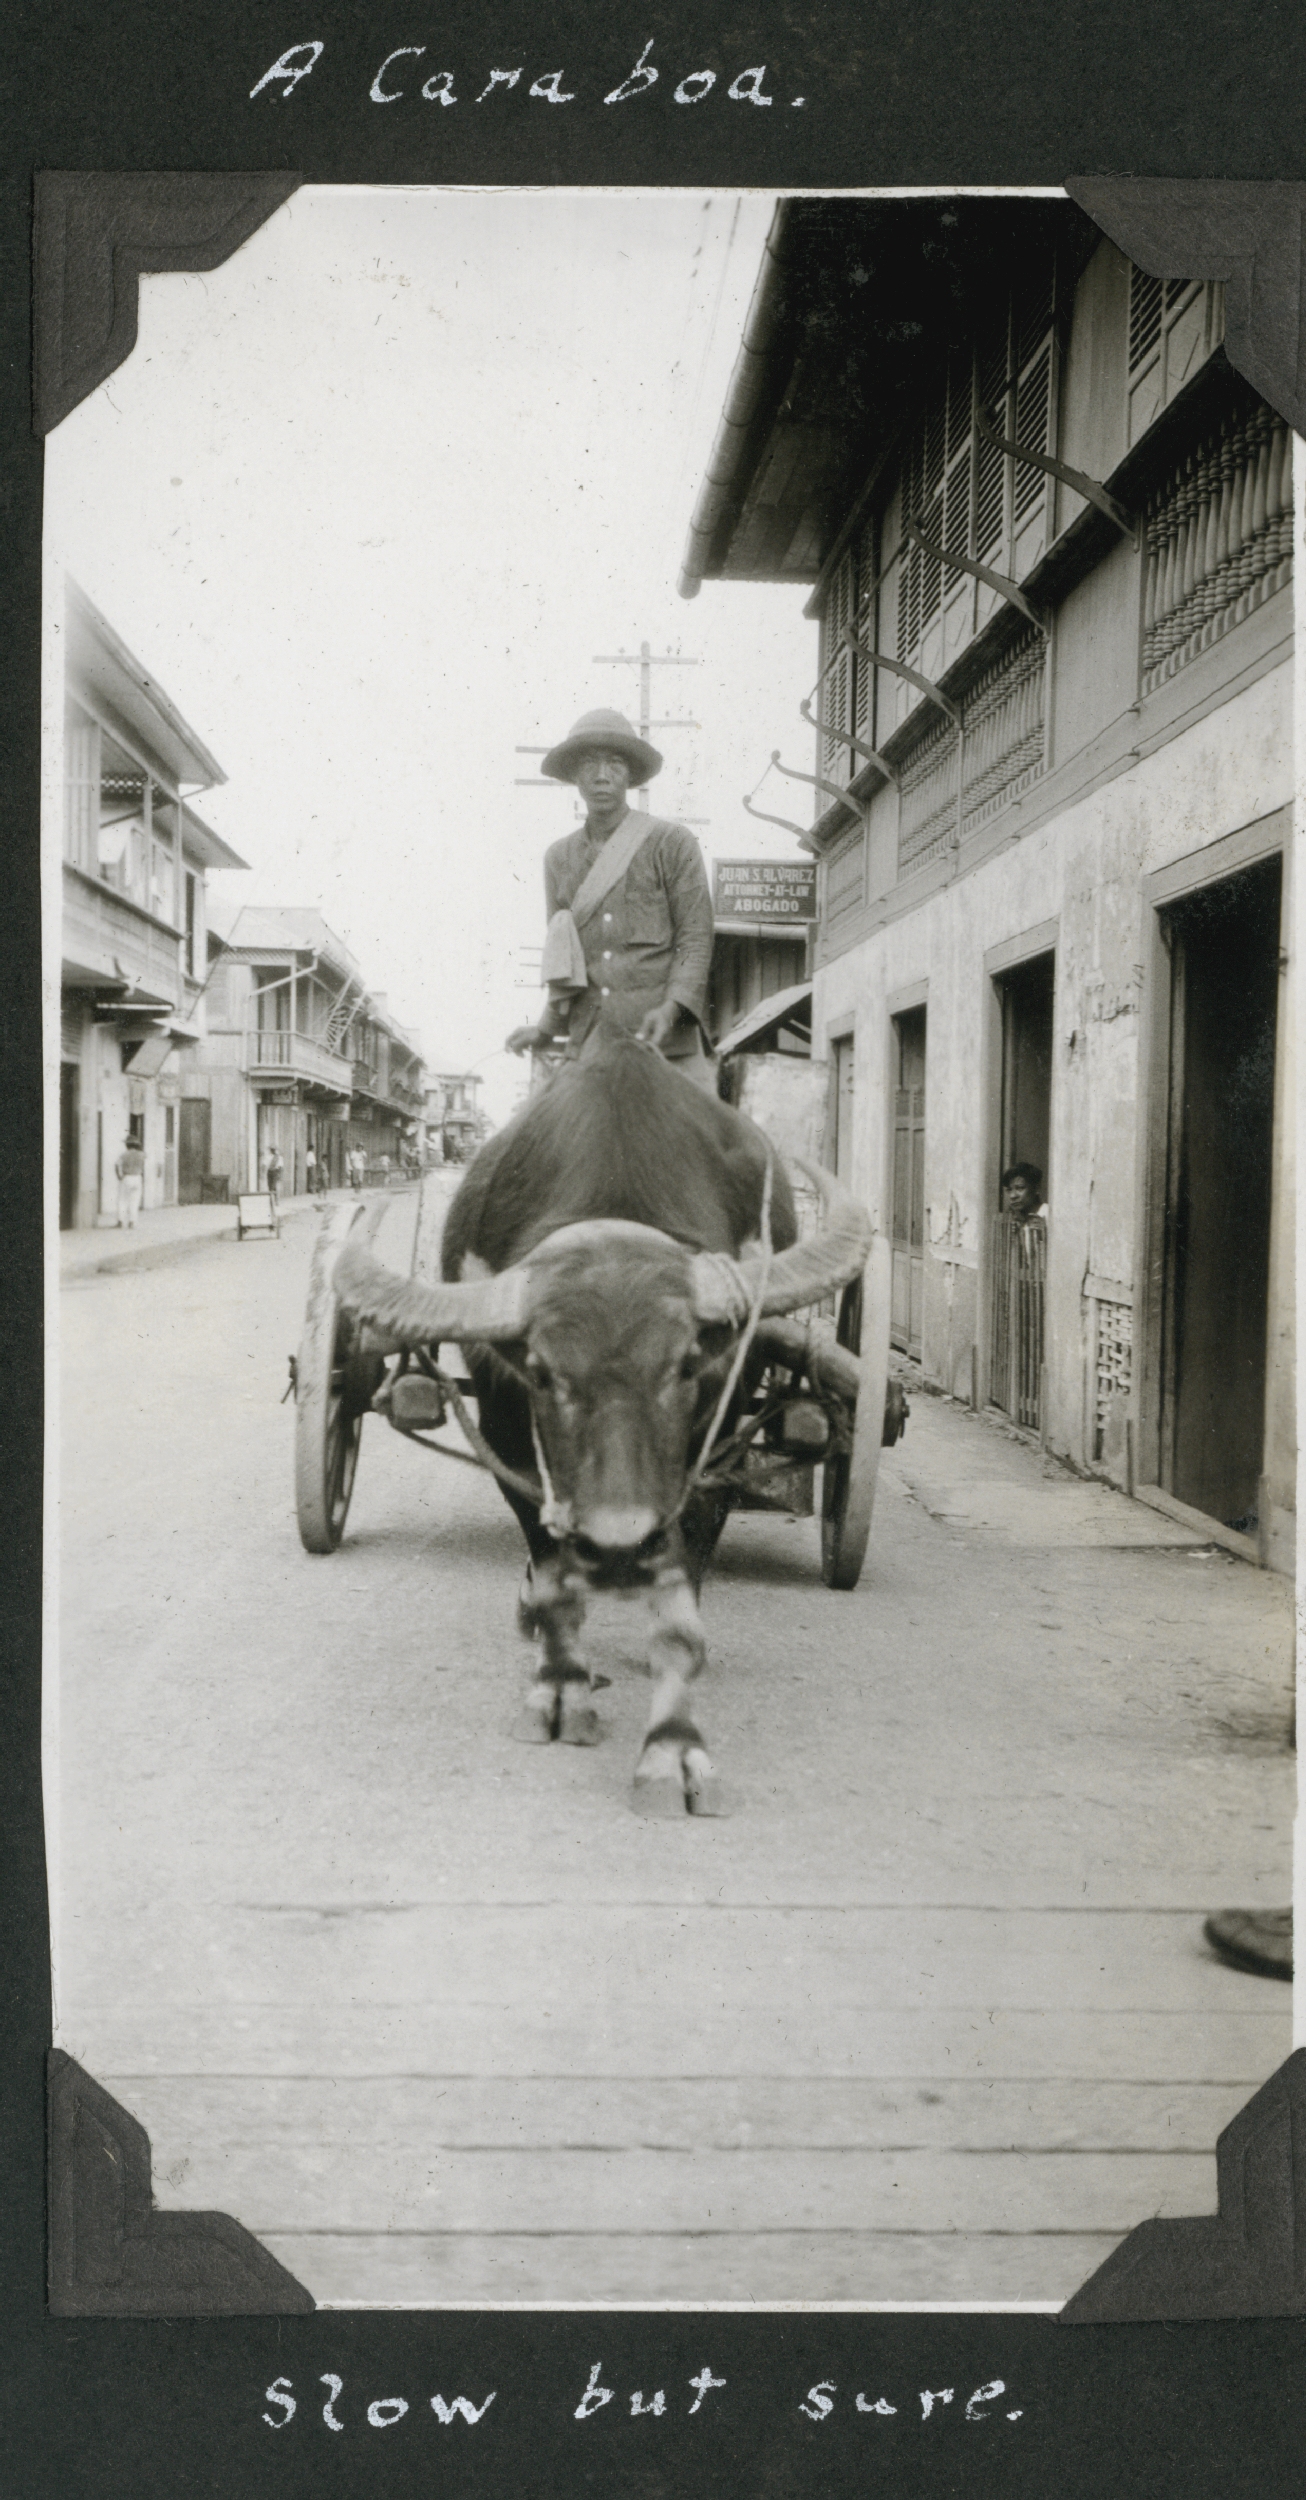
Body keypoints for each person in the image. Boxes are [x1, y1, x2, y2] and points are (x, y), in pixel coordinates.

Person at [505, 706, 716, 1093]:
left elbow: (695, 940)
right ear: (573, 775)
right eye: (589, 764)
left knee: (709, 1145)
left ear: (631, 774)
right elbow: (563, 962)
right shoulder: (559, 858)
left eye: (615, 763)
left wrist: (672, 1010)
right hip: (590, 1042)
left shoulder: (672, 843)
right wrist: (545, 1028)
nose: (602, 776)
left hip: (666, 1042)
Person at [114, 1133, 145, 1228]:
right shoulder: (142, 1154)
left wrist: (119, 1176)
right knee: (135, 1201)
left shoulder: (124, 1154)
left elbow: (116, 1164)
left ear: (127, 1144)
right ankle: (132, 1222)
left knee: (123, 1200)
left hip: (127, 1177)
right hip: (138, 1177)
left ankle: (120, 1221)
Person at [263, 1142, 283, 1210]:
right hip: (269, 1172)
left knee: (274, 1186)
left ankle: (276, 1201)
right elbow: (264, 1165)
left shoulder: (278, 1157)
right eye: (272, 1149)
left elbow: (280, 1167)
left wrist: (280, 1175)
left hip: (275, 1172)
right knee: (270, 1186)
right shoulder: (268, 1156)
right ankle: (271, 1201)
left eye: (274, 1149)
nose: (273, 1150)